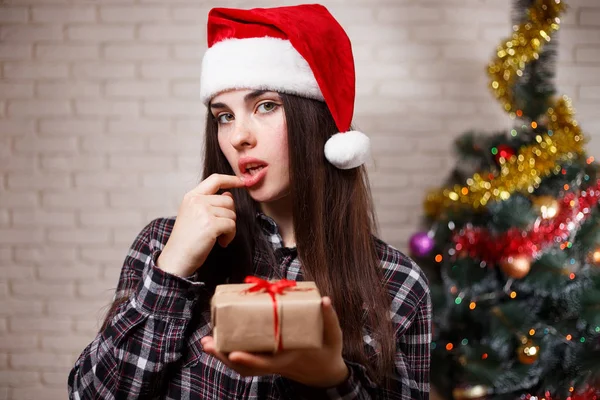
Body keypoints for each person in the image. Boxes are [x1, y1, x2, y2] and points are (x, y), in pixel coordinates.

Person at [68, 4, 431, 399]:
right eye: (223, 116)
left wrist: (333, 379)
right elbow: (88, 394)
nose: (239, 136)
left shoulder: (397, 282)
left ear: (316, 120)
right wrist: (171, 271)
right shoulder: (163, 244)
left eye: (265, 106)